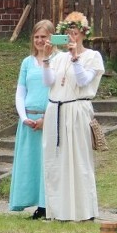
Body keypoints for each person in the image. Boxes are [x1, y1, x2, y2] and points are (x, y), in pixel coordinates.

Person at [41, 12, 105, 221]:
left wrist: (76, 59)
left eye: (75, 33)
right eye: (68, 34)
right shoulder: (59, 58)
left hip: (77, 110)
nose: (71, 38)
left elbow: (83, 81)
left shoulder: (92, 56)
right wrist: (47, 59)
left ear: (83, 34)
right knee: (56, 160)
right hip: (56, 110)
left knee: (78, 159)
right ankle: (59, 211)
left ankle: (83, 211)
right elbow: (48, 82)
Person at [9, 20, 54, 219]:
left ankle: (46, 206)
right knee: (31, 163)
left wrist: (47, 117)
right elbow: (20, 92)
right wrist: (24, 117)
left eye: (43, 37)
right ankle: (30, 200)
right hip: (29, 119)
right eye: (36, 37)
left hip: (50, 119)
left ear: (51, 38)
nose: (39, 40)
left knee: (47, 163)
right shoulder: (27, 62)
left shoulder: (58, 59)